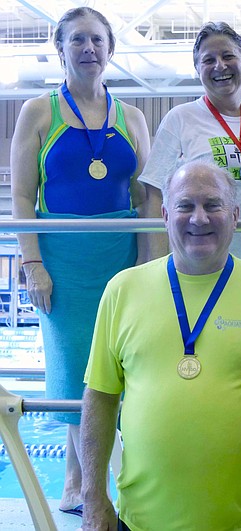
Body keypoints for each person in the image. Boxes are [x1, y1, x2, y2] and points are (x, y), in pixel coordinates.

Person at [79, 162, 241, 530]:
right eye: (185, 206)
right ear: (165, 215)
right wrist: (93, 498)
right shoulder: (122, 289)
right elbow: (100, 398)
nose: (199, 218)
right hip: (141, 522)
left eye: (212, 205)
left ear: (235, 215)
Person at [9, 7, 150, 516]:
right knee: (74, 371)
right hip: (63, 261)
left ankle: (108, 476)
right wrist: (32, 264)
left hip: (121, 257)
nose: (89, 48)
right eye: (78, 41)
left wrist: (148, 265)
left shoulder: (131, 116)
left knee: (121, 366)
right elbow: (22, 196)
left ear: (110, 49)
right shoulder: (38, 112)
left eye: (97, 40)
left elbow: (145, 196)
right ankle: (79, 481)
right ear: (61, 48)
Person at [139, 21, 241, 273]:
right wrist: (159, 267)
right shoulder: (181, 118)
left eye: (228, 56)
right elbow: (153, 198)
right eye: (208, 60)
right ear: (197, 69)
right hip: (201, 269)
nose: (220, 66)